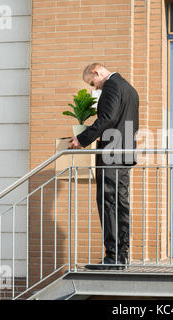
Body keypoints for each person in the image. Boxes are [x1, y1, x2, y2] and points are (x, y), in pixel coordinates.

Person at [69, 63, 139, 270]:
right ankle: (121, 255)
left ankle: (112, 257)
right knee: (120, 203)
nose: (96, 88)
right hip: (124, 154)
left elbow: (107, 118)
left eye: (93, 83)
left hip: (111, 155)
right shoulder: (128, 87)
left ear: (96, 72)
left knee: (109, 203)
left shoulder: (111, 86)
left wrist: (82, 139)